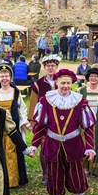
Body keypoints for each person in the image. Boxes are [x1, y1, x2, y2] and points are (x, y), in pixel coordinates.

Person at [28, 69, 96, 195]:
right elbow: (40, 127)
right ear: (56, 83)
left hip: (74, 145)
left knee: (78, 177)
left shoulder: (80, 102)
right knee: (54, 178)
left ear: (72, 84)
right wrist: (34, 145)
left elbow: (88, 127)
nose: (65, 85)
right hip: (53, 145)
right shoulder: (47, 101)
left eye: (68, 83)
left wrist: (90, 147)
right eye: (62, 82)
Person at [0, 64, 31, 187]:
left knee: (13, 152)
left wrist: (24, 121)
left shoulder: (15, 92)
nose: (4, 78)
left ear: (10, 77)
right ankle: (1, 179)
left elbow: (22, 108)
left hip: (12, 128)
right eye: (2, 76)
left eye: (6, 76)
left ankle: (14, 179)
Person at [28, 54, 61, 185]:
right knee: (44, 147)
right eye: (48, 66)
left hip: (60, 120)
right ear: (45, 67)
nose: (51, 68)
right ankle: (46, 174)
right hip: (43, 120)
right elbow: (33, 103)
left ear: (57, 67)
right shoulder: (38, 84)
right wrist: (31, 121)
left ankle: (57, 172)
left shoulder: (62, 81)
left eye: (53, 66)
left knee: (58, 146)